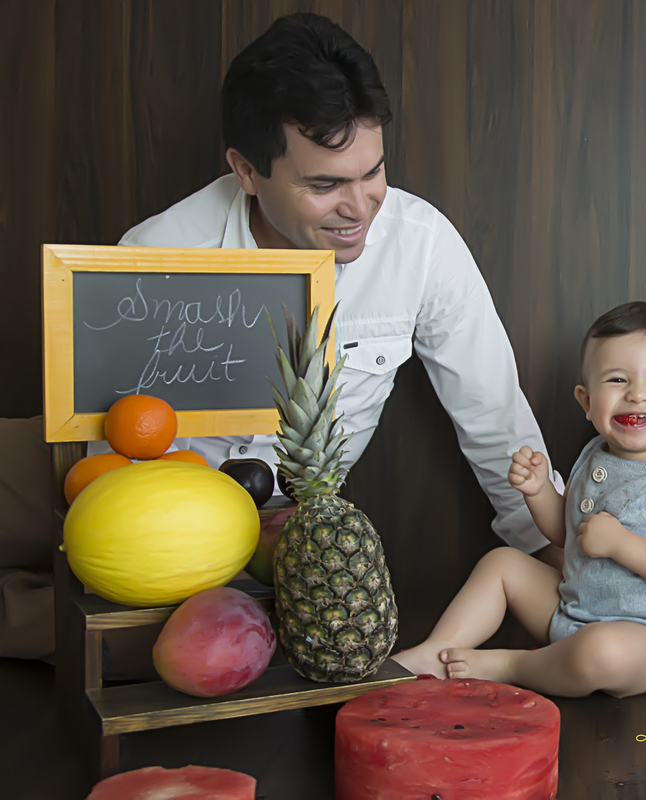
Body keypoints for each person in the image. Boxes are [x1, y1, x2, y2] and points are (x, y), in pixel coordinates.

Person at [111, 13, 564, 568]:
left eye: (372, 172)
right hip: (170, 539)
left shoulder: (419, 244)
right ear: (247, 172)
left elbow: (494, 416)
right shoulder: (154, 257)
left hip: (309, 548)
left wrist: (562, 559)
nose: (359, 207)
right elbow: (114, 459)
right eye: (324, 185)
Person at [395, 302, 646, 697]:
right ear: (586, 401)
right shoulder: (593, 456)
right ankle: (437, 650)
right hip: (570, 611)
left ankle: (512, 664)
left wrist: (621, 545)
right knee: (501, 563)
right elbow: (567, 534)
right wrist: (538, 492)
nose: (637, 394)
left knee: (602, 653)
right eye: (617, 380)